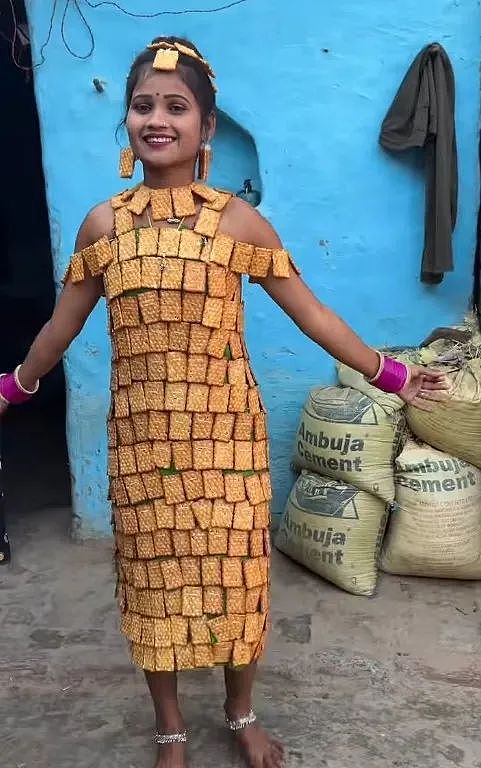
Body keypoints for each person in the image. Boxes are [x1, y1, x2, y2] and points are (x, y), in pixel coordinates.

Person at [0, 37, 448, 768]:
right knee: (151, 586)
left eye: (176, 108)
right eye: (143, 105)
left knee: (237, 578)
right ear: (129, 122)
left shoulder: (237, 224)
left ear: (206, 129)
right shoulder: (104, 226)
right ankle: (170, 730)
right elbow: (62, 325)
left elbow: (313, 315)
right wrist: (14, 386)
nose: (157, 119)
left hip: (228, 442)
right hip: (143, 443)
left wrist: (390, 374)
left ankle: (241, 714)